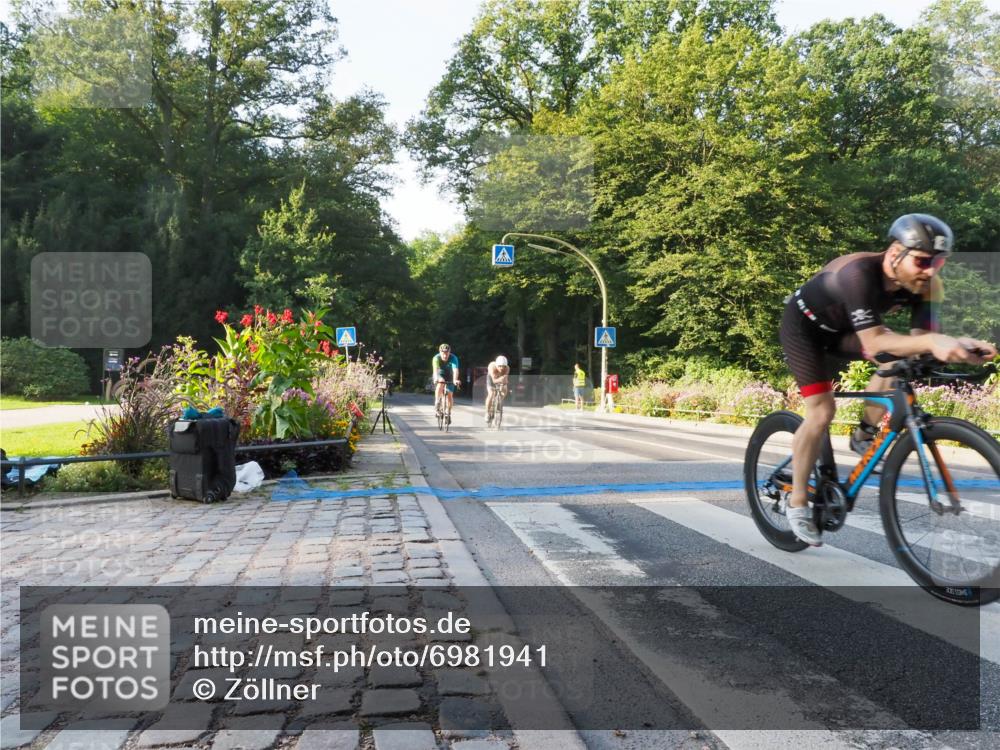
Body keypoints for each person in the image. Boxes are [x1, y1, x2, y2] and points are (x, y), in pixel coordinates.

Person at [779, 213, 996, 546]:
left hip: (846, 331)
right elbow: (875, 342)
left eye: (938, 263)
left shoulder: (929, 285)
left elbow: (920, 342)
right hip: (805, 329)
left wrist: (959, 346)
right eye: (922, 261)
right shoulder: (857, 274)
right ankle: (797, 503)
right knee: (821, 412)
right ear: (895, 253)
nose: (930, 271)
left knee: (902, 358)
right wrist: (932, 342)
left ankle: (864, 434)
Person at [432, 344, 461, 416]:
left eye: (447, 353)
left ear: (449, 352)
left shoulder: (453, 358)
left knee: (450, 395)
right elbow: (435, 370)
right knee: (441, 382)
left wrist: (455, 380)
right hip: (439, 374)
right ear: (440, 352)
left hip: (450, 375)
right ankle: (437, 402)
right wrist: (436, 378)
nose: (445, 355)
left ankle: (448, 411)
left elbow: (455, 370)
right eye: (443, 353)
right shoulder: (436, 358)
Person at [485, 355, 511, 424]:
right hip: (491, 379)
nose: (501, 368)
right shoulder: (492, 367)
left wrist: (504, 384)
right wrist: (501, 379)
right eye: (499, 366)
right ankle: (487, 412)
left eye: (503, 366)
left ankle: (499, 401)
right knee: (491, 394)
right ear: (496, 365)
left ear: (506, 366)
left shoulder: (507, 368)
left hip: (500, 378)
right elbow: (494, 380)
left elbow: (505, 379)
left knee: (505, 390)